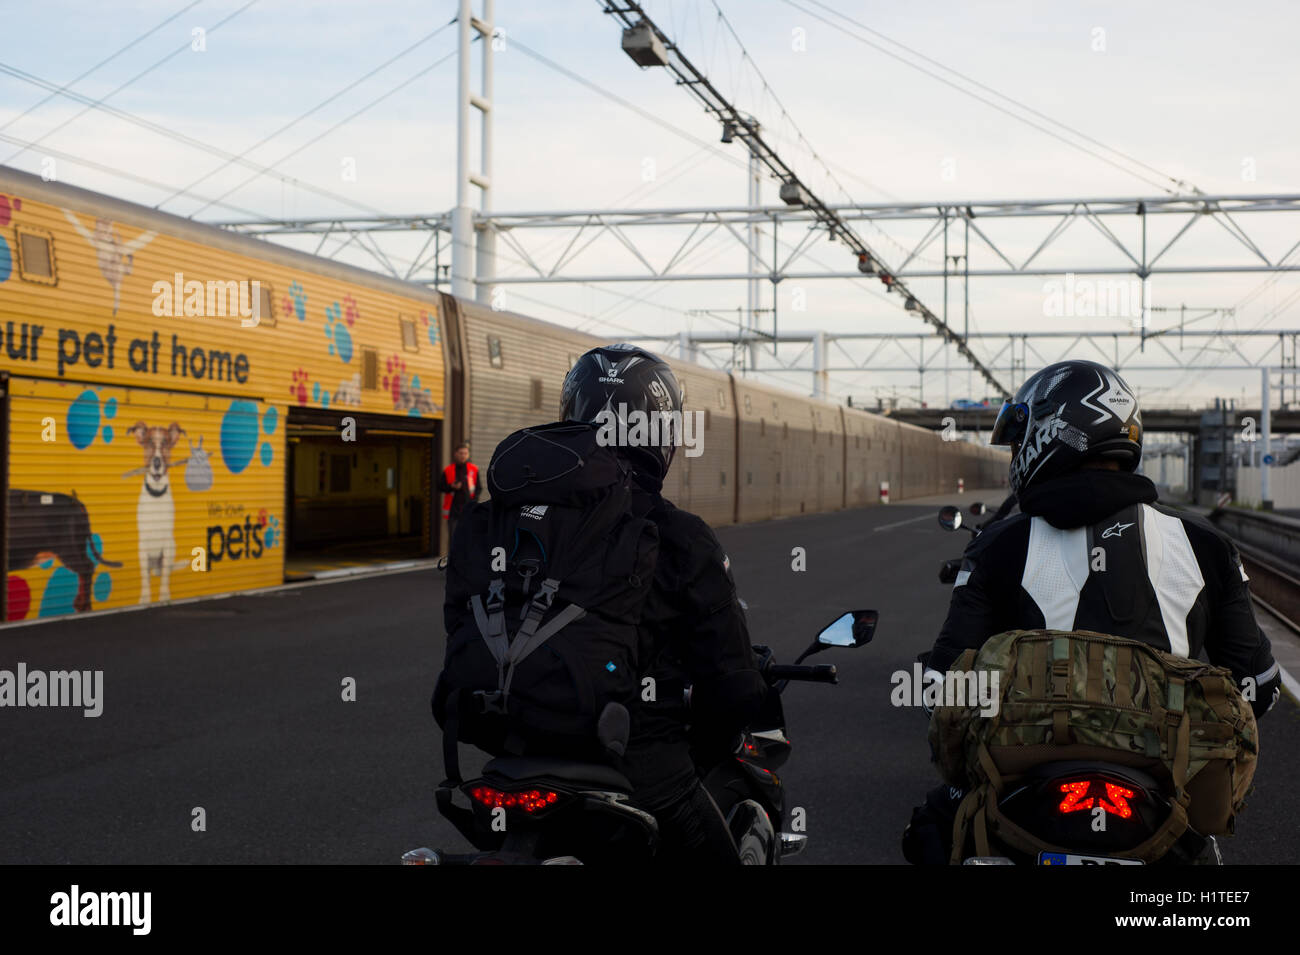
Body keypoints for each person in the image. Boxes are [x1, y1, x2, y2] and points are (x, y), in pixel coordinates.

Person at [903, 358, 1282, 864]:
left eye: (1019, 439)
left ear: (1050, 432)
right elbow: (1259, 685)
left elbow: (943, 687)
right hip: (1160, 799)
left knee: (928, 835)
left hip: (1026, 791)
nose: (1016, 452)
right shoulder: (1205, 544)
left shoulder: (999, 545)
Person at [557, 343, 769, 864]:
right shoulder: (680, 536)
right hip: (641, 764)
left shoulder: (527, 521)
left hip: (521, 756)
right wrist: (702, 742)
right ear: (661, 433)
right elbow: (734, 687)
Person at [439, 443, 479, 545]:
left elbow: (478, 488)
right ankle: (454, 555)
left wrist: (474, 502)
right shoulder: (448, 470)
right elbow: (440, 487)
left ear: (468, 454)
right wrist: (451, 487)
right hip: (453, 511)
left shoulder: (473, 469)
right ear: (455, 454)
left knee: (468, 538)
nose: (463, 455)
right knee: (454, 538)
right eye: (461, 453)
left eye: (465, 453)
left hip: (468, 510)